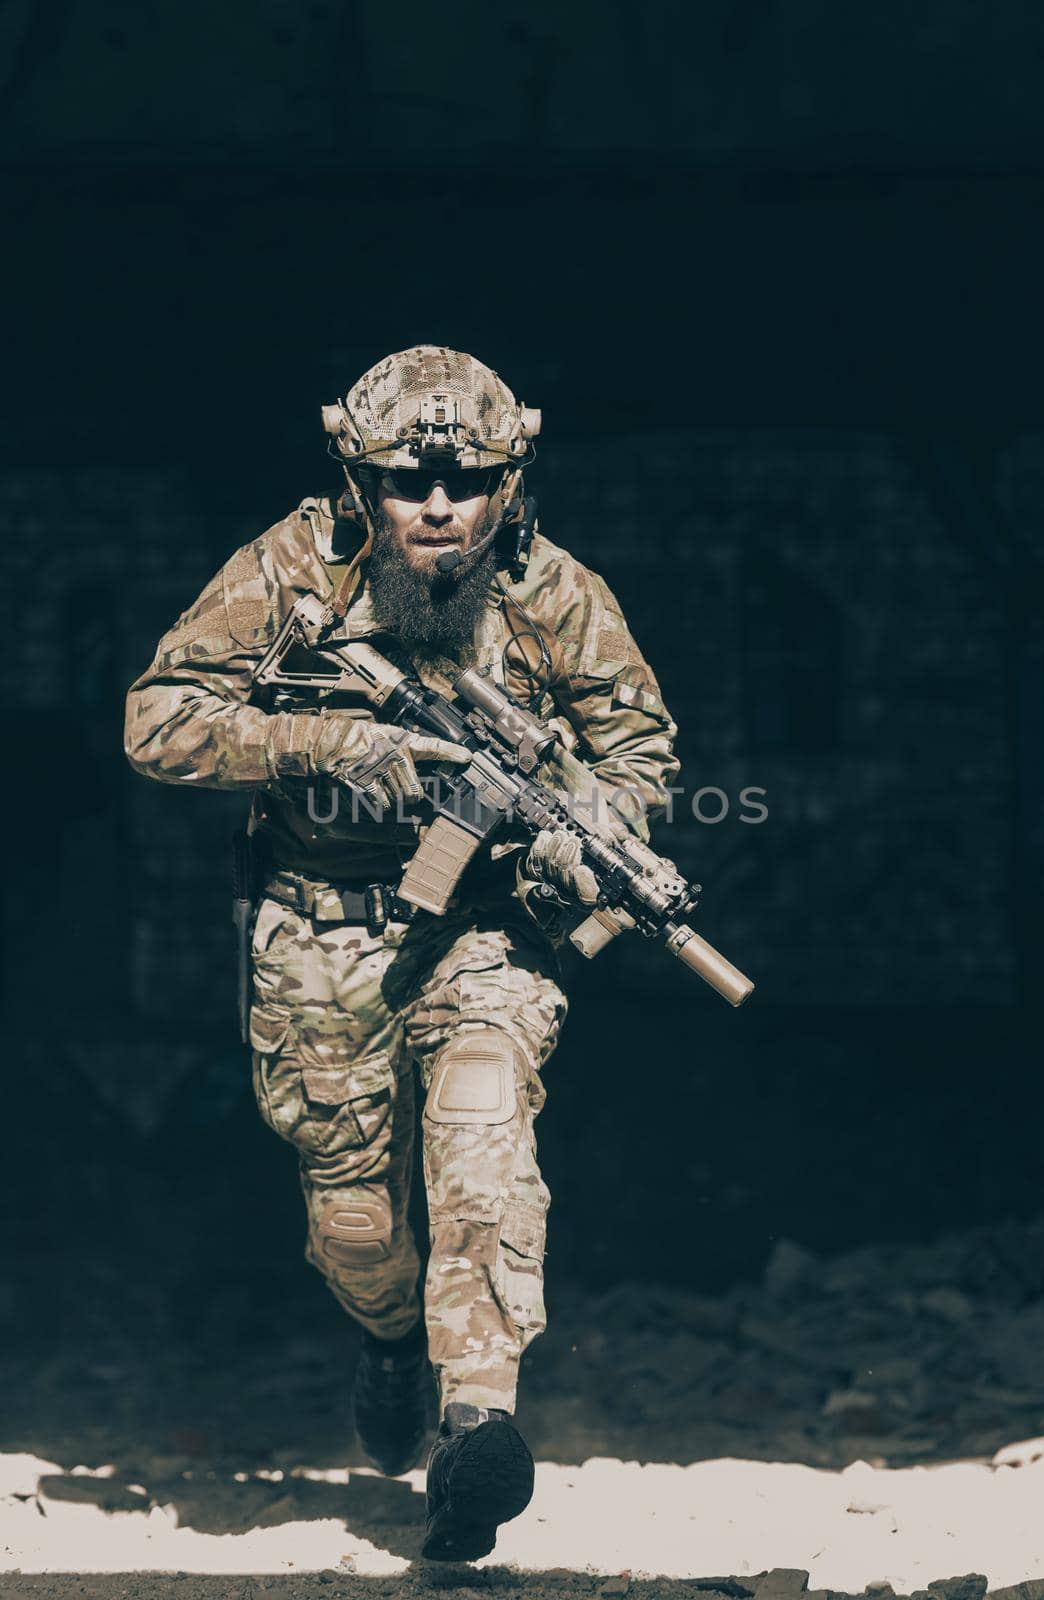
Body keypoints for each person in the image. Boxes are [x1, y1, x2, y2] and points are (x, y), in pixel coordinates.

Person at [124, 345, 679, 1561]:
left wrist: (579, 841)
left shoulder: (557, 594)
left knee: (483, 1124)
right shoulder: (287, 571)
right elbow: (156, 721)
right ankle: (389, 1341)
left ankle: (474, 1427)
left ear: (511, 480)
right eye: (405, 483)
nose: (438, 507)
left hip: (483, 931)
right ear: (356, 481)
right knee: (358, 1228)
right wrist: (329, 744)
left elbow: (638, 755)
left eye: (468, 480)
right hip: (318, 937)